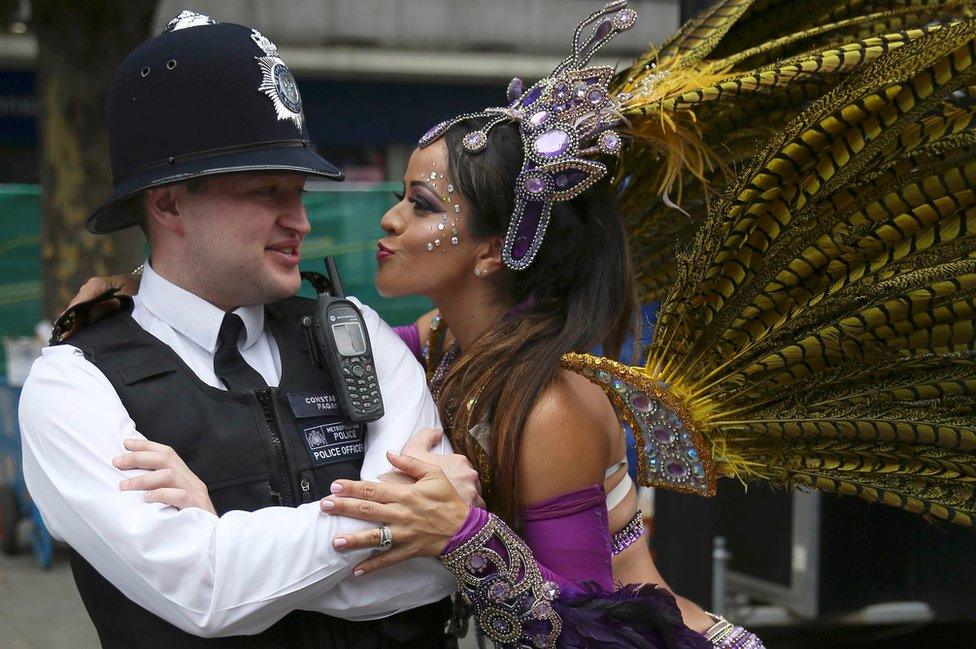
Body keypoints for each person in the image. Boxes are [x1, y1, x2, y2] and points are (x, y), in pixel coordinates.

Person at [20, 11, 482, 648]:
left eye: (298, 192)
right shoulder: (74, 382)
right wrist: (394, 521)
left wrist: (228, 534)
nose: (299, 221)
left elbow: (433, 575)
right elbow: (206, 592)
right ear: (169, 203)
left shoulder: (358, 335)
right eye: (268, 192)